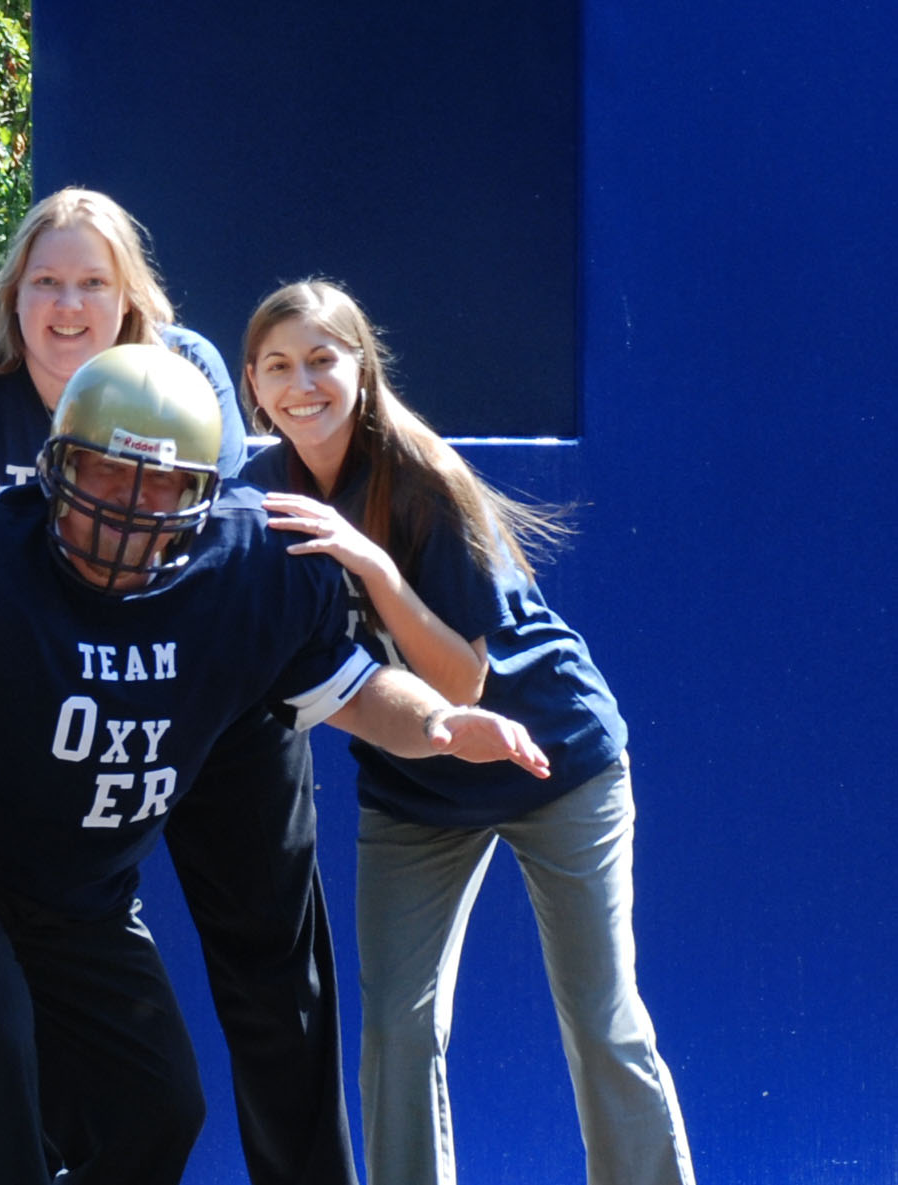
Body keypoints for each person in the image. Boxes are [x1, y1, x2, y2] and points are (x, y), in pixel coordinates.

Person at [0, 344, 550, 1185]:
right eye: (108, 476)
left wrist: (440, 721)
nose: (128, 508)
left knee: (159, 1107)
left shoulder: (254, 563)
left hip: (81, 889)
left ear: (204, 492)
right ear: (55, 467)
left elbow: (360, 693)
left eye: (160, 485)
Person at [0, 185, 353, 1183]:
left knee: (273, 962)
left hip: (196, 694)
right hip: (45, 704)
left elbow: (213, 555)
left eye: (92, 283)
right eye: (45, 282)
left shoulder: (180, 369)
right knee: (32, 993)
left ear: (129, 297)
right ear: (11, 298)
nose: (68, 306)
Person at [238, 279, 695, 1185]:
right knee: (399, 1026)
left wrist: (369, 563)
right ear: (252, 384)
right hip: (416, 787)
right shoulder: (259, 493)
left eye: (323, 359)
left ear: (362, 368)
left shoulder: (422, 477)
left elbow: (461, 679)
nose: (303, 385)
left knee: (600, 1015)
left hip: (556, 761)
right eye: (279, 366)